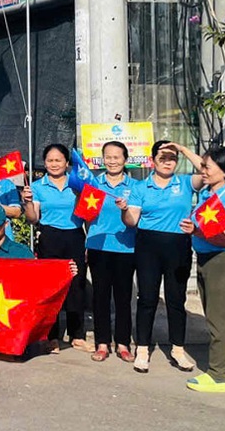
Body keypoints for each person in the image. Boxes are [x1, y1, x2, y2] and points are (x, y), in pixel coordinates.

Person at [120, 140, 202, 373]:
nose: (168, 162)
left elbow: (205, 169)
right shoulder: (140, 187)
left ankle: (177, 349)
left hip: (178, 245)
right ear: (153, 160)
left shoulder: (185, 182)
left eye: (172, 158)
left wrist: (184, 149)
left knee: (176, 300)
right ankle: (143, 349)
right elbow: (132, 221)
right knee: (147, 299)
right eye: (162, 158)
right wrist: (124, 210)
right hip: (148, 246)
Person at [183, 147, 225, 393]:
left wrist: (197, 231)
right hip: (210, 259)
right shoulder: (212, 194)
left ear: (224, 170)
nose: (203, 171)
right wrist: (180, 148)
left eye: (208, 167)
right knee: (223, 321)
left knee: (217, 321)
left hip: (220, 261)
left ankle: (217, 375)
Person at [21, 143, 89, 353]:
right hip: (49, 238)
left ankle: (77, 335)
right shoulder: (37, 186)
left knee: (76, 286)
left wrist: (88, 242)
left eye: (58, 160)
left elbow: (86, 214)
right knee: (50, 288)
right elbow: (33, 219)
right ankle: (52, 337)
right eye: (50, 160)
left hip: (75, 236)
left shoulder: (77, 184)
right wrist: (27, 203)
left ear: (67, 163)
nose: (54, 164)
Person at [85, 140, 138, 364]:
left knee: (124, 298)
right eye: (108, 156)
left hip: (126, 248)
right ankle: (102, 343)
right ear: (102, 159)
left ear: (125, 160)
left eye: (117, 157)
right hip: (99, 248)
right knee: (100, 297)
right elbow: (86, 216)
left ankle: (123, 343)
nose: (112, 160)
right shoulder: (93, 185)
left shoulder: (135, 187)